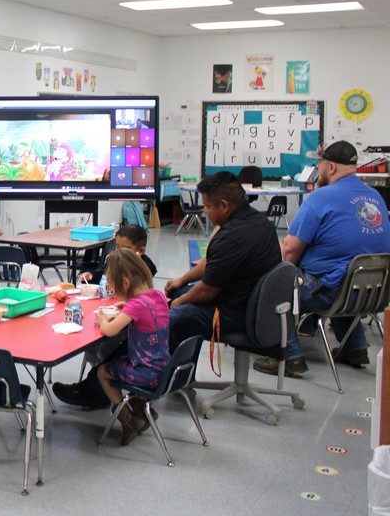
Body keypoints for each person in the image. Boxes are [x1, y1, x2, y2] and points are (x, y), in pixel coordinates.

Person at [254, 141, 390, 377]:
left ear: (331, 168)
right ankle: (355, 348)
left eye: (319, 164)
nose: (318, 169)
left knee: (277, 284)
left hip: (332, 290)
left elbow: (289, 251)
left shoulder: (321, 197)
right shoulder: (375, 196)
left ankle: (289, 356)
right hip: (371, 292)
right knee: (340, 272)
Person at [166, 171, 281, 354]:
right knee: (174, 292)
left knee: (175, 318)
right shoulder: (259, 221)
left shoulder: (231, 238)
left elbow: (207, 291)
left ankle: (169, 379)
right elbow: (212, 261)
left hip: (240, 314)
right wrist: (182, 280)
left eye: (207, 206)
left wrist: (178, 303)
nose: (204, 210)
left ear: (224, 206)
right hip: (255, 303)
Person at [53, 224, 158, 409]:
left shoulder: (140, 276)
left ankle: (109, 402)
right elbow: (102, 272)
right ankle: (95, 387)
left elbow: (109, 329)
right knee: (98, 347)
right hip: (156, 360)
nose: (118, 252)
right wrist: (93, 276)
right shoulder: (154, 297)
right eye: (116, 247)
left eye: (124, 249)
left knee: (106, 349)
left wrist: (103, 319)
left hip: (141, 362)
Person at [94, 248, 171, 446]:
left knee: (102, 371)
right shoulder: (159, 297)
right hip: (165, 369)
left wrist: (103, 319)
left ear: (126, 283)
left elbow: (109, 330)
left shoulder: (135, 307)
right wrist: (126, 308)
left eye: (114, 287)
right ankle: (140, 408)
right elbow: (143, 312)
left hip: (146, 373)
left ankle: (128, 419)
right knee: (118, 361)